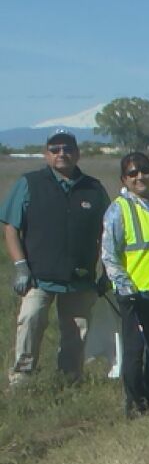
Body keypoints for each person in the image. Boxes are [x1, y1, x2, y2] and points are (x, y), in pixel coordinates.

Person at [2, 131, 111, 389]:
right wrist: (20, 267)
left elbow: (109, 234)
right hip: (38, 276)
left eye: (68, 149)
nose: (62, 154)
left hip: (79, 278)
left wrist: (105, 272)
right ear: (46, 154)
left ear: (77, 153)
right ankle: (22, 380)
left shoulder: (93, 189)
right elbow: (10, 228)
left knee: (76, 331)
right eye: (55, 149)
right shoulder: (29, 183)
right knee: (30, 321)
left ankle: (69, 381)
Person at [101, 152, 149, 416]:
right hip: (135, 292)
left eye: (144, 170)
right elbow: (109, 253)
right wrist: (123, 285)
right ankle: (135, 402)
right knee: (134, 352)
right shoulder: (118, 210)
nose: (139, 177)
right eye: (132, 173)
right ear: (124, 179)